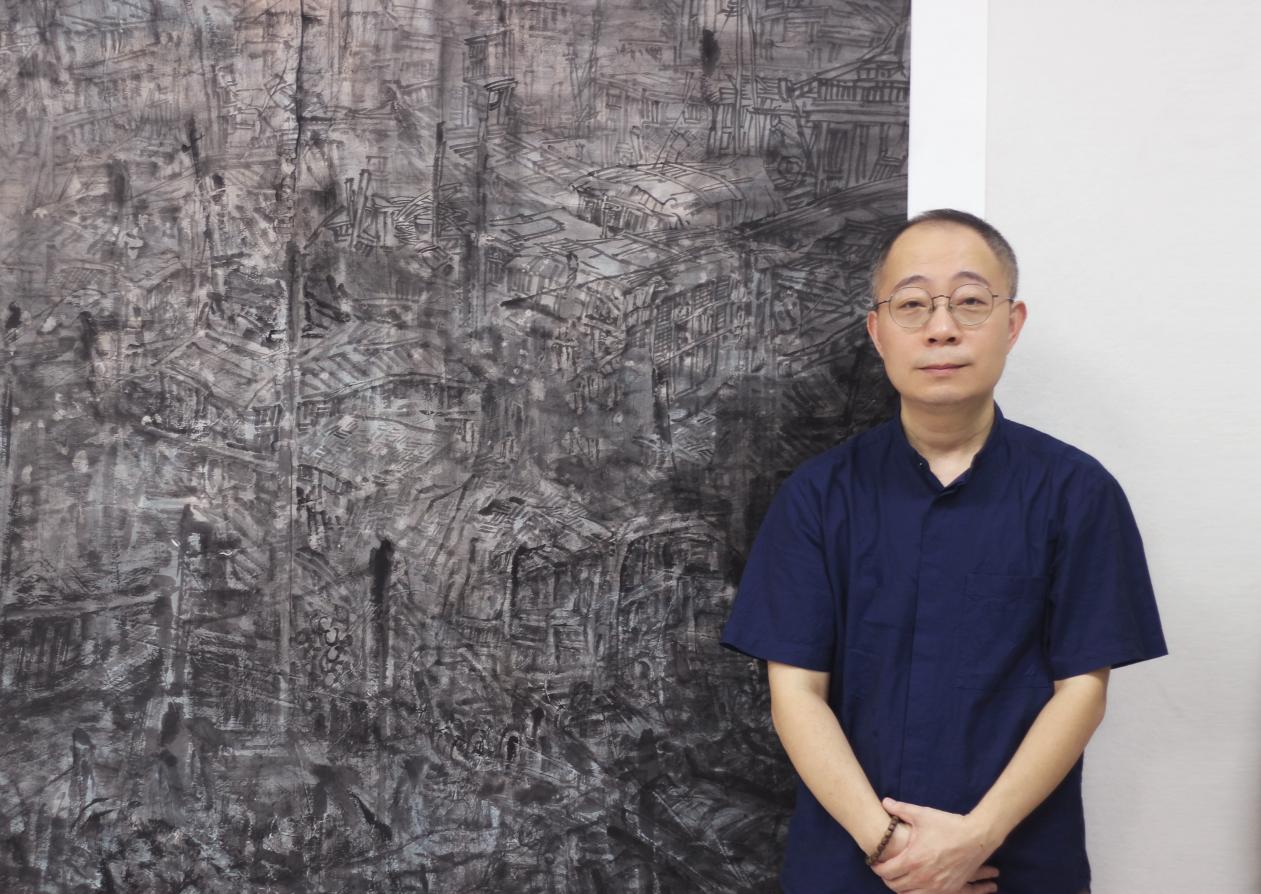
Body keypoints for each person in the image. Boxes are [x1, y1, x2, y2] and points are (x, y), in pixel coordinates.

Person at [720, 209, 1168, 894]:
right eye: (911, 305)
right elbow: (796, 694)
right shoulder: (817, 496)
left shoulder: (1077, 492)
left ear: (1011, 323)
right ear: (877, 331)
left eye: (969, 301)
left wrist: (974, 839)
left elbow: (1082, 689)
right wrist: (892, 847)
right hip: (851, 865)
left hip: (1013, 864)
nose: (941, 328)